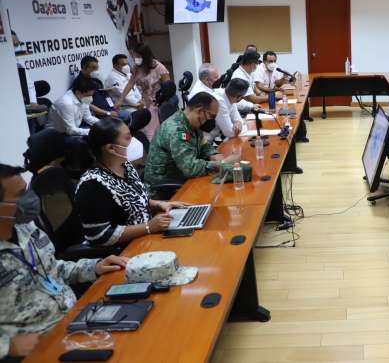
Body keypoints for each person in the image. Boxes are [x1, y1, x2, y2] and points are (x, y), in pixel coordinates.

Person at [0, 164, 128, 360]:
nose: (30, 199)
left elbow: (53, 268)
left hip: (74, 319)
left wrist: (93, 266)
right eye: (20, 194)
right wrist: (7, 346)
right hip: (39, 344)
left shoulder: (26, 229)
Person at [75, 118, 188, 246]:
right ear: (111, 148)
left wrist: (159, 204)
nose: (133, 140)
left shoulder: (125, 166)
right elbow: (98, 236)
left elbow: (133, 200)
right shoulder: (92, 185)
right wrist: (148, 227)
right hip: (128, 249)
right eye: (128, 138)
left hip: (148, 235)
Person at [144, 92, 239, 189]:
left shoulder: (192, 124)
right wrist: (220, 164)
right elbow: (189, 168)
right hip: (164, 190)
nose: (212, 120)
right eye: (212, 116)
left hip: (183, 180)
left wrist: (213, 155)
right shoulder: (176, 130)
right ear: (200, 110)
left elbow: (204, 145)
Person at [115, 43, 171, 139]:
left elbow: (169, 87)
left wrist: (162, 102)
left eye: (138, 56)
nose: (135, 58)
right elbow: (130, 83)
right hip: (145, 102)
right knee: (146, 129)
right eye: (134, 56)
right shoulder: (137, 68)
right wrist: (121, 99)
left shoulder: (159, 67)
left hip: (158, 103)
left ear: (145, 55)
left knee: (153, 131)